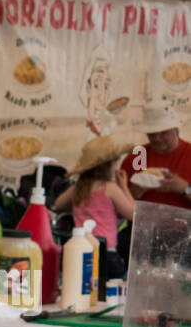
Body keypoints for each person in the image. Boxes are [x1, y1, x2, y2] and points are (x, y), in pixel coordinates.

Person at [53, 135, 135, 277]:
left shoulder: (78, 187)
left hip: (80, 249)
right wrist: (124, 187)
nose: (116, 167)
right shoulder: (109, 188)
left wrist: (78, 205)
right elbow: (132, 214)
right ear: (107, 166)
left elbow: (58, 204)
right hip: (106, 253)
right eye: (115, 163)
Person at [120, 99, 191, 211]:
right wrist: (132, 194)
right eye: (152, 134)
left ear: (176, 130)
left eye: (163, 133)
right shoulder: (136, 156)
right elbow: (115, 206)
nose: (157, 139)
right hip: (142, 225)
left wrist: (185, 188)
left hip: (184, 226)